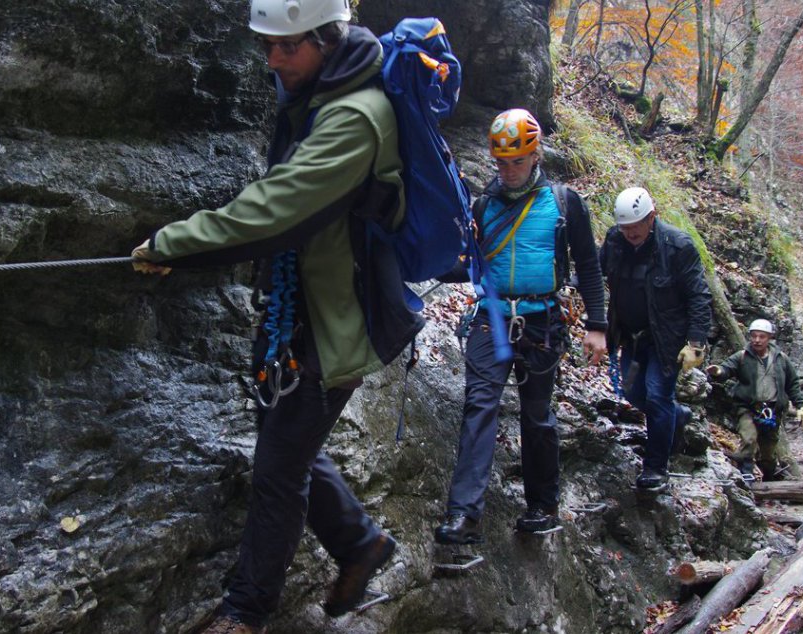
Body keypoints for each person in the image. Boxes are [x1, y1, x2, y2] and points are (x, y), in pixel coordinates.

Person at [131, 1, 423, 631]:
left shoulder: (354, 117)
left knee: (277, 471)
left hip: (334, 323)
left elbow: (273, 210)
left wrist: (172, 244)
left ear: (326, 38)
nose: (273, 59)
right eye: (268, 46)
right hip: (302, 312)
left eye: (287, 46)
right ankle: (361, 544)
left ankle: (247, 612)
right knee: (285, 445)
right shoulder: (321, 94)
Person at [433, 108, 608, 544]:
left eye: (517, 161)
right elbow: (465, 266)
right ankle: (463, 513)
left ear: (535, 156)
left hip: (542, 322)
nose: (508, 171)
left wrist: (598, 326)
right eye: (501, 163)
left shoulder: (566, 203)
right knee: (480, 405)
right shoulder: (482, 206)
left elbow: (588, 266)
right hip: (491, 318)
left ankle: (543, 505)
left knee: (536, 415)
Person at [600, 187, 712, 490]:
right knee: (634, 394)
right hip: (631, 336)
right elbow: (595, 274)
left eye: (635, 227)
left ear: (651, 217)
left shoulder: (677, 246)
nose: (630, 233)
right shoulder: (614, 240)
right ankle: (678, 416)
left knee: (657, 396)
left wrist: (696, 343)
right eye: (625, 228)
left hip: (666, 340)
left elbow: (699, 295)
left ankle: (656, 468)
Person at [706, 319, 803, 482]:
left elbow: (792, 383)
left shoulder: (781, 359)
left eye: (762, 337)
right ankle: (746, 473)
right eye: (754, 336)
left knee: (768, 450)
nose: (757, 340)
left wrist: (800, 406)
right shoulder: (742, 356)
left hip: (772, 410)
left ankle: (769, 476)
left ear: (769, 338)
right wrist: (718, 371)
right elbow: (727, 368)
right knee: (749, 438)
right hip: (747, 407)